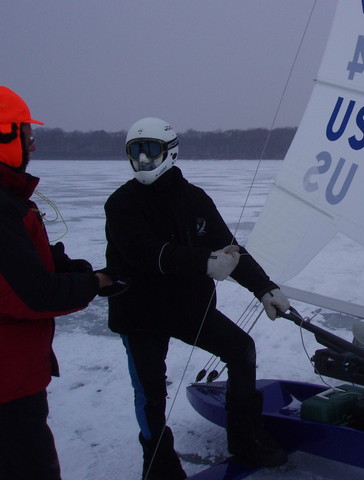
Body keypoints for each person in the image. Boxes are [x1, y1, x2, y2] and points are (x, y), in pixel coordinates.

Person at [104, 117, 291, 480]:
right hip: (139, 313)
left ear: (170, 152)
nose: (143, 160)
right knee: (150, 393)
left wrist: (265, 288)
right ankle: (159, 465)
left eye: (150, 151)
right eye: (135, 152)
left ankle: (246, 438)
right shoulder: (121, 204)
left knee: (241, 350)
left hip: (188, 309)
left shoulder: (195, 199)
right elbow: (145, 252)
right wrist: (203, 261)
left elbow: (230, 251)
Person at [0, 86, 114, 480]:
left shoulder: (11, 201)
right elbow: (32, 294)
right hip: (7, 388)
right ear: (6, 138)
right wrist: (94, 283)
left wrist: (77, 270)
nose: (32, 146)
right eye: (26, 136)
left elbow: (31, 262)